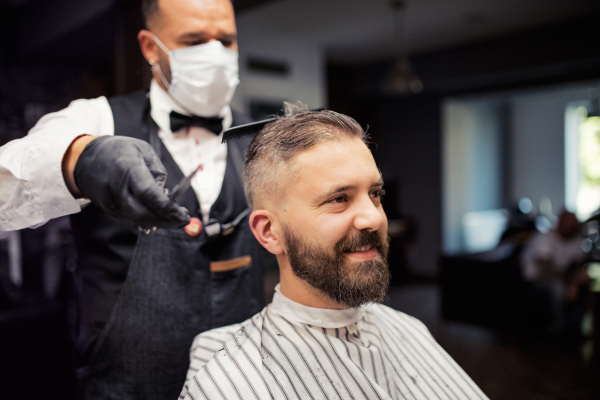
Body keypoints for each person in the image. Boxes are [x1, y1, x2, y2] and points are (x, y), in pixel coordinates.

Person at [0, 0, 271, 398]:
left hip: (240, 379)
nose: (214, 54)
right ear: (149, 46)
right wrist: (79, 158)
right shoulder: (98, 118)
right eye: (194, 41)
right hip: (127, 380)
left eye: (225, 40)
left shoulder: (259, 139)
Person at [179, 105, 488, 400]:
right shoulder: (232, 384)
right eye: (339, 198)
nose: (374, 218)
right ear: (269, 232)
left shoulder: (409, 329)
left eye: (375, 194)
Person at [520, 210, 588, 335]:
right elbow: (545, 271)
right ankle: (558, 328)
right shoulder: (544, 237)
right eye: (568, 223)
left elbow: (579, 265)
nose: (572, 226)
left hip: (561, 277)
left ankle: (574, 326)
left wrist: (575, 281)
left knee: (587, 284)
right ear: (559, 222)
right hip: (535, 279)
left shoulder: (576, 238)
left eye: (574, 224)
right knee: (557, 287)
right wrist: (570, 281)